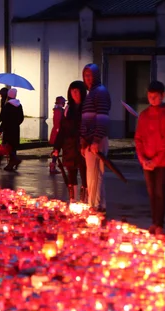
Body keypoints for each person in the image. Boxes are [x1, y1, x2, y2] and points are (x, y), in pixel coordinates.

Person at [134, 80, 165, 233]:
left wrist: (155, 161)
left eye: (155, 96)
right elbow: (138, 138)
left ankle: (160, 223)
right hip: (146, 161)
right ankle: (155, 221)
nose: (152, 99)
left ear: (162, 96)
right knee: (152, 193)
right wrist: (142, 159)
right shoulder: (144, 115)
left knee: (160, 192)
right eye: (150, 96)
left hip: (162, 163)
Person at [79, 63, 111, 212]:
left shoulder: (100, 92)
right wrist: (83, 141)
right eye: (85, 75)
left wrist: (96, 140)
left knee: (95, 175)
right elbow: (86, 119)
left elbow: (102, 117)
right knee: (94, 174)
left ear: (96, 76)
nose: (88, 78)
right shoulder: (91, 93)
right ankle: (99, 204)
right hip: (89, 142)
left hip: (96, 141)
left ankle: (94, 206)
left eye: (90, 75)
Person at [53, 81, 88, 203]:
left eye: (77, 91)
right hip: (68, 147)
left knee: (85, 176)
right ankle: (72, 201)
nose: (75, 94)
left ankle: (84, 202)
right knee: (71, 175)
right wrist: (57, 147)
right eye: (73, 91)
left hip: (82, 147)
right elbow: (62, 130)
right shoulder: (68, 109)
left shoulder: (87, 107)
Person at [0, 88, 24, 172]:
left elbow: (4, 119)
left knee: (8, 146)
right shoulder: (19, 105)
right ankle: (11, 164)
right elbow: (21, 117)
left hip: (8, 129)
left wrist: (1, 128)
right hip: (15, 129)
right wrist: (16, 124)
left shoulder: (8, 105)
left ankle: (14, 160)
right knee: (13, 146)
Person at [49, 96, 66, 175]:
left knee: (56, 150)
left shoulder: (57, 110)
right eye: (63, 102)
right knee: (57, 150)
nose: (64, 103)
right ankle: (54, 167)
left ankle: (53, 166)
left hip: (57, 132)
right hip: (59, 133)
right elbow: (58, 122)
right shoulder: (59, 111)